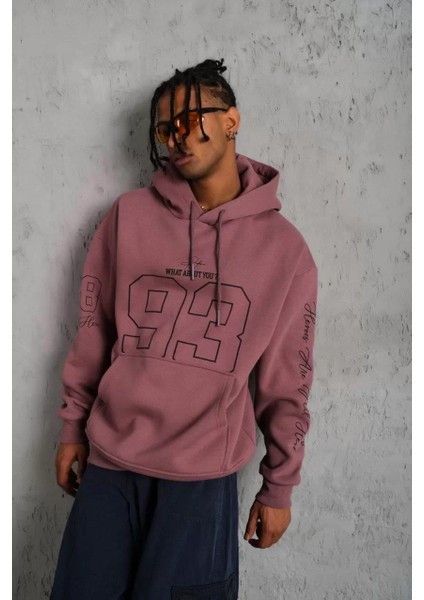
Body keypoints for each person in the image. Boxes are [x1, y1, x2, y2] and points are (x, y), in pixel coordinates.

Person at [50, 58, 318, 599]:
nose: (177, 136)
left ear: (231, 120)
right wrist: (72, 427)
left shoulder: (285, 251)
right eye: (165, 127)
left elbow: (286, 383)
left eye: (191, 119)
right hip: (110, 465)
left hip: (202, 481)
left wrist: (279, 486)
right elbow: (93, 332)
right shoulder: (128, 216)